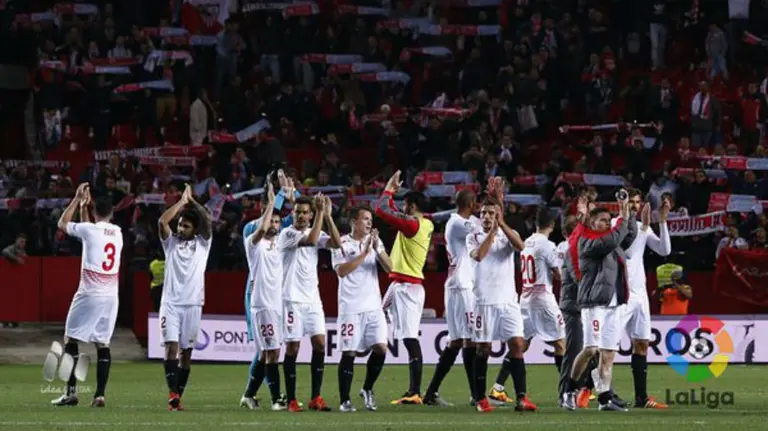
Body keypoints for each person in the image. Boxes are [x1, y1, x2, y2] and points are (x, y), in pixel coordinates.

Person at [48, 183, 122, 407]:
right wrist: (84, 205)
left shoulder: (90, 231)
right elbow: (89, 229)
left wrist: (76, 198)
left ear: (95, 210)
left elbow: (62, 224)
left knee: (71, 339)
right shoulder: (117, 232)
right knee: (103, 344)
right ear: (111, 213)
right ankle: (99, 395)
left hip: (90, 293)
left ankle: (70, 393)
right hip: (111, 297)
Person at [467, 197, 535, 413]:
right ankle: (480, 398)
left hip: (508, 301)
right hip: (484, 301)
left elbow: (521, 246)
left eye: (491, 213)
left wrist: (502, 226)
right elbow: (479, 256)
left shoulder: (507, 233)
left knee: (517, 344)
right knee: (483, 348)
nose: (487, 217)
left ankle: (522, 398)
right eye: (484, 213)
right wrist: (493, 233)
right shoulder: (473, 236)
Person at [569, 194, 636, 412]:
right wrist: (622, 219)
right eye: (603, 220)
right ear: (591, 222)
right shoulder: (588, 242)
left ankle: (604, 399)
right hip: (594, 303)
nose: (608, 223)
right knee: (590, 349)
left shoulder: (611, 243)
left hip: (613, 304)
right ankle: (569, 390)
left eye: (610, 220)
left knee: (607, 353)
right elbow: (616, 238)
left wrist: (627, 210)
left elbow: (628, 236)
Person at [374, 170, 434, 405]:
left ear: (412, 205)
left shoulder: (413, 225)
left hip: (408, 287)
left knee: (410, 338)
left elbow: (382, 211)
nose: (403, 208)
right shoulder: (423, 224)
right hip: (399, 283)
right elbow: (392, 212)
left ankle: (414, 391)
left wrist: (389, 190)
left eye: (406, 204)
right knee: (376, 317)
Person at [278, 194, 342, 412]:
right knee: (293, 347)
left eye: (306, 212)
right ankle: (292, 400)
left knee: (320, 344)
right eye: (298, 212)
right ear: (292, 214)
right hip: (291, 299)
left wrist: (329, 217)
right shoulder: (286, 234)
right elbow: (312, 241)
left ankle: (316, 397)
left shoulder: (314, 228)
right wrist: (321, 214)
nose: (301, 216)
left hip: (312, 299)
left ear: (310, 215)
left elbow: (336, 243)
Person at [241, 171, 297, 408]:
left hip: (279, 301)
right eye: (269, 213)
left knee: (266, 352)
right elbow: (263, 228)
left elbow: (295, 218)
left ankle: (249, 395)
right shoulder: (252, 235)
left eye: (276, 218)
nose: (274, 221)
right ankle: (276, 398)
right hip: (260, 299)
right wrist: (276, 200)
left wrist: (290, 193)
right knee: (269, 350)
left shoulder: (281, 237)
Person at [157, 184, 213, 411]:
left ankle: (177, 397)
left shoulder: (203, 244)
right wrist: (181, 202)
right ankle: (172, 394)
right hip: (170, 304)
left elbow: (208, 220)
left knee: (186, 355)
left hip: (192, 305)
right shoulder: (170, 244)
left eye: (186, 225)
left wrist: (194, 203)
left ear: (194, 229)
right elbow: (162, 222)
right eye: (180, 224)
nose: (180, 228)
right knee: (171, 349)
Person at [332, 207, 393, 412]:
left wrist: (375, 249)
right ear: (353, 221)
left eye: (370, 219)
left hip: (373, 307)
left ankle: (367, 389)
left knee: (381, 348)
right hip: (350, 307)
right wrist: (364, 253)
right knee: (349, 352)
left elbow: (390, 267)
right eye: (365, 219)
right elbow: (341, 271)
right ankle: (344, 400)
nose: (369, 223)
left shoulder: (375, 242)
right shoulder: (340, 242)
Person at [422, 189, 480, 407]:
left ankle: (430, 393)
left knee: (456, 341)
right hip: (461, 285)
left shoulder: (462, 220)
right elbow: (482, 227)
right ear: (471, 203)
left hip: (458, 285)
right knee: (469, 340)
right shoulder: (457, 223)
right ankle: (476, 395)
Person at [615, 189, 671, 409]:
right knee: (606, 346)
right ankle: (590, 390)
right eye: (631, 202)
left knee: (641, 344)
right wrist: (644, 228)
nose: (635, 206)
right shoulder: (614, 225)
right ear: (622, 203)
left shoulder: (642, 228)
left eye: (638, 203)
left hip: (640, 295)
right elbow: (627, 252)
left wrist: (662, 222)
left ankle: (641, 397)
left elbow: (664, 250)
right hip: (619, 294)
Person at [519, 207, 566, 389]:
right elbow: (558, 274)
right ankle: (566, 390)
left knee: (521, 345)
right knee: (561, 343)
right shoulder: (547, 245)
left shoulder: (527, 242)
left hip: (525, 297)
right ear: (552, 225)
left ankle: (498, 387)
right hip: (542, 298)